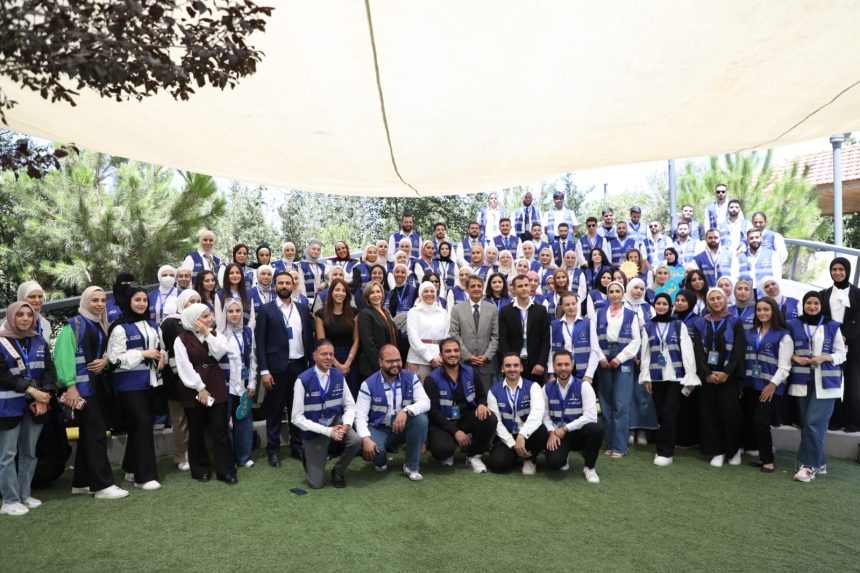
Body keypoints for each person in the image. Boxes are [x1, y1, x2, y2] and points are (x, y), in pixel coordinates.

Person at [55, 287, 128, 499]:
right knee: (96, 435)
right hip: (81, 390)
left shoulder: (98, 323)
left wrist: (105, 361)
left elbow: (103, 353)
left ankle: (82, 482)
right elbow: (63, 357)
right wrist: (70, 386)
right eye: (95, 300)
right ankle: (102, 485)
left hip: (96, 388)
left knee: (90, 435)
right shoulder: (73, 325)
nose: (100, 304)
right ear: (85, 301)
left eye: (103, 300)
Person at [106, 286, 164, 491]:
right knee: (143, 423)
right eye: (137, 300)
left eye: (144, 300)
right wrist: (143, 354)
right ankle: (144, 477)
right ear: (128, 302)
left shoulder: (152, 325)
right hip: (128, 385)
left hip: (150, 382)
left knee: (139, 425)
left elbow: (160, 349)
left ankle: (131, 469)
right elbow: (114, 359)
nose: (141, 304)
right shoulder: (119, 328)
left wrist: (161, 357)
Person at [0, 302, 56, 515]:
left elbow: (49, 370)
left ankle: (25, 495)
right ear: (11, 317)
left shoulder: (38, 339)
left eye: (29, 315)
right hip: (8, 406)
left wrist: (44, 396)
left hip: (36, 404)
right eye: (20, 315)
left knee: (29, 452)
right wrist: (32, 391)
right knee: (7, 455)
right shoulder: (1, 340)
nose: (25, 318)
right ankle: (9, 500)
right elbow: (3, 375)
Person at [255, 271, 313, 467]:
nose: (284, 286)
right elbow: (260, 343)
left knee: (297, 409)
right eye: (280, 283)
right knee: (274, 411)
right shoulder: (266, 310)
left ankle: (297, 446)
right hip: (275, 369)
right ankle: (273, 451)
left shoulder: (303, 309)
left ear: (293, 285)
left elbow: (309, 339)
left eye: (288, 283)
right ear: (275, 286)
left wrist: (310, 366)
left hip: (299, 366)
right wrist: (264, 371)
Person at [787, 292, 847, 482]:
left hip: (826, 383)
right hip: (802, 380)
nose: (812, 306)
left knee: (814, 424)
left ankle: (808, 466)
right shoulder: (793, 324)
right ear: (803, 304)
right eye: (808, 303)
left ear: (821, 305)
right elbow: (786, 349)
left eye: (816, 303)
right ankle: (820, 463)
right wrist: (795, 357)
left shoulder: (832, 325)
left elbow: (842, 354)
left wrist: (825, 357)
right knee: (808, 425)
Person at [174, 304, 236, 484]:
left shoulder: (216, 335)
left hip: (215, 384)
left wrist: (207, 334)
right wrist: (200, 387)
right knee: (196, 430)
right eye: (205, 316)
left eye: (210, 315)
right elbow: (184, 366)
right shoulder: (181, 340)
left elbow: (219, 352)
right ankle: (200, 469)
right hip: (193, 389)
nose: (210, 319)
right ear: (194, 320)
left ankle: (226, 471)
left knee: (220, 429)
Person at [638, 293, 700, 466]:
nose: (661, 306)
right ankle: (662, 447)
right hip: (656, 377)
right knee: (660, 414)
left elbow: (687, 352)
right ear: (654, 306)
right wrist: (646, 377)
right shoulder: (648, 326)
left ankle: (666, 452)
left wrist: (690, 376)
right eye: (658, 303)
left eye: (665, 303)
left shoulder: (679, 325)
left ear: (670, 306)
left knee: (669, 414)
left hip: (676, 377)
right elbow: (645, 354)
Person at [291, 340, 361, 489]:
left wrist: (346, 425)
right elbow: (296, 418)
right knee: (316, 484)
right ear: (314, 356)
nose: (328, 358)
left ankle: (338, 471)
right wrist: (327, 431)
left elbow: (349, 404)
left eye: (331, 354)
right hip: (314, 429)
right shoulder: (302, 380)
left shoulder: (339, 375)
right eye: (324, 354)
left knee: (355, 441)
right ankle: (307, 453)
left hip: (335, 422)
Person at [354, 344, 430, 481]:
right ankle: (380, 459)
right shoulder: (368, 384)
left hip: (402, 427)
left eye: (398, 360)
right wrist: (365, 439)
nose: (395, 364)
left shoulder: (411, 378)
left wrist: (406, 411)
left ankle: (411, 467)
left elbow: (426, 402)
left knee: (421, 419)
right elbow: (360, 417)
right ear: (380, 362)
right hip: (379, 428)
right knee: (378, 459)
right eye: (390, 361)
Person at [424, 339, 496, 472]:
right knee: (442, 450)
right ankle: (449, 449)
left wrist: (482, 404)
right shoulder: (432, 379)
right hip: (443, 423)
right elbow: (433, 412)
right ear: (441, 355)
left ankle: (474, 455)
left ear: (460, 353)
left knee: (490, 418)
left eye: (456, 350)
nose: (453, 354)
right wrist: (455, 432)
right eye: (448, 351)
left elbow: (481, 396)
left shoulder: (471, 372)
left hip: (466, 420)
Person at [741, 297, 793, 473]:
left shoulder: (783, 335)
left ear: (774, 312)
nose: (762, 313)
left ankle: (769, 460)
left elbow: (785, 366)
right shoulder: (750, 332)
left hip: (769, 387)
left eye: (766, 309)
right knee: (752, 421)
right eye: (759, 310)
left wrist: (772, 385)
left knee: (760, 421)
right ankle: (762, 457)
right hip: (750, 384)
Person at [696, 288, 745, 468]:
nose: (716, 302)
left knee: (730, 415)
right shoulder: (701, 322)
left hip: (728, 377)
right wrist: (707, 374)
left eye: (719, 298)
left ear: (725, 300)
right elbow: (698, 352)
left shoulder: (735, 321)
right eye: (712, 299)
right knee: (710, 415)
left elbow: (739, 350)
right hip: (708, 377)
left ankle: (733, 450)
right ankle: (717, 451)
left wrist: (727, 372)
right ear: (707, 303)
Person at [593, 281, 641, 458]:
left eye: (617, 291)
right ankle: (609, 443)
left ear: (623, 294)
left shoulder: (631, 314)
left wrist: (620, 358)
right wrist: (600, 357)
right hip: (604, 360)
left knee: (621, 404)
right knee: (606, 404)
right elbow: (593, 338)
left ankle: (620, 446)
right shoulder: (599, 313)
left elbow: (636, 341)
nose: (614, 294)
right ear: (608, 294)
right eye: (611, 291)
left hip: (623, 360)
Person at [542, 350, 602, 483]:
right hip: (558, 434)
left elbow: (591, 417)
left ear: (572, 365)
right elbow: (544, 416)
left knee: (596, 429)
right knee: (554, 463)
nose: (563, 368)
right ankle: (564, 457)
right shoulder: (546, 388)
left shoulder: (584, 386)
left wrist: (565, 428)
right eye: (559, 364)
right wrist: (551, 432)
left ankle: (590, 468)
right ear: (554, 366)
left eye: (566, 364)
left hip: (578, 433)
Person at [158, 289, 200, 471]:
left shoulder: (201, 320)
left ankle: (195, 453)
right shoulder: (170, 323)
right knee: (180, 420)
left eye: (198, 301)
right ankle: (181, 456)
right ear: (183, 303)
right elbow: (165, 350)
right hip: (177, 380)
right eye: (191, 301)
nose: (195, 304)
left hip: (199, 378)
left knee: (196, 419)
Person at [487, 353, 548, 474]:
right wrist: (512, 443)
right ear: (502, 369)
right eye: (508, 366)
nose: (512, 369)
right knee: (498, 465)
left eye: (516, 365)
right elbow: (497, 423)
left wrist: (522, 435)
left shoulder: (533, 386)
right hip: (506, 436)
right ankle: (517, 455)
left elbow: (537, 413)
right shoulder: (493, 391)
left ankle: (530, 459)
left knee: (541, 430)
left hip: (527, 435)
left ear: (521, 368)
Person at [819, 257, 860, 432]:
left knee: (854, 382)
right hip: (831, 344)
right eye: (834, 269)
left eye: (841, 269)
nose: (837, 273)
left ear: (847, 271)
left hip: (854, 343)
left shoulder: (857, 293)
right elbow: (822, 318)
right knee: (833, 380)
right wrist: (835, 337)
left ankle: (853, 421)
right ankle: (835, 419)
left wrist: (846, 335)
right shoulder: (824, 294)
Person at [220, 298, 257, 469]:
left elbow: (253, 358)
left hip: (244, 384)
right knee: (224, 422)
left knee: (244, 419)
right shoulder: (219, 333)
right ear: (225, 313)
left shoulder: (248, 331)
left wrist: (252, 383)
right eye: (230, 311)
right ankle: (229, 458)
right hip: (225, 385)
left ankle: (244, 457)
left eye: (238, 311)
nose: (234, 314)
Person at [449, 274, 499, 393]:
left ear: (483, 288)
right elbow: (454, 335)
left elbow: (495, 336)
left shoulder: (492, 308)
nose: (476, 288)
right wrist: (467, 356)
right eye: (472, 286)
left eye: (479, 286)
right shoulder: (457, 309)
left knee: (485, 399)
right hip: (464, 364)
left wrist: (487, 355)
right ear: (467, 289)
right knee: (464, 398)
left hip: (486, 365)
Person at [499, 274, 550, 384]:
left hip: (535, 365)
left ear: (530, 287)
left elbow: (545, 339)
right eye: (520, 286)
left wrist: (541, 363)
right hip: (513, 364)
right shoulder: (505, 311)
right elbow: (503, 339)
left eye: (526, 285)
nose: (524, 288)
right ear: (514, 289)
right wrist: (508, 362)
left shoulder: (541, 310)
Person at [314, 278, 360, 397]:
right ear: (331, 292)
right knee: (332, 395)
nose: (340, 293)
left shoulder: (354, 313)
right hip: (328, 358)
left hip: (350, 358)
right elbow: (321, 342)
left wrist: (347, 363)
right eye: (337, 290)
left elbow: (356, 340)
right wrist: (338, 365)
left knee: (351, 395)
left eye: (343, 290)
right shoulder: (320, 314)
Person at [548, 293, 598, 384]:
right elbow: (551, 350)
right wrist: (551, 374)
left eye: (573, 303)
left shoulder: (588, 323)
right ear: (562, 306)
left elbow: (594, 350)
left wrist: (589, 375)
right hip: (561, 370)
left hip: (583, 372)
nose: (571, 307)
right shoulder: (554, 325)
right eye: (567, 304)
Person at [405, 282, 449, 379]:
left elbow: (447, 336)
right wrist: (430, 358)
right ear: (420, 293)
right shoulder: (413, 312)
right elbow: (413, 339)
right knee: (417, 388)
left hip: (440, 360)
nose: (429, 294)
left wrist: (442, 356)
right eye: (426, 291)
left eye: (432, 291)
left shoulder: (443, 313)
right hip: (418, 360)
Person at [357, 283, 399, 381]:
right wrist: (382, 365)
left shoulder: (385, 312)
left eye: (378, 291)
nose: (376, 295)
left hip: (389, 364)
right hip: (374, 367)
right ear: (367, 296)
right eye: (372, 293)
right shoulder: (365, 314)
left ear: (382, 294)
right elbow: (369, 345)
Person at [216, 262, 252, 329]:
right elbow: (219, 319)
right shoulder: (219, 294)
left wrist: (247, 332)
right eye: (231, 273)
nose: (235, 275)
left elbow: (252, 318)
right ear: (227, 275)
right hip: (226, 333)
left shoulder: (248, 293)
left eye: (237, 273)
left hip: (245, 332)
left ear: (241, 275)